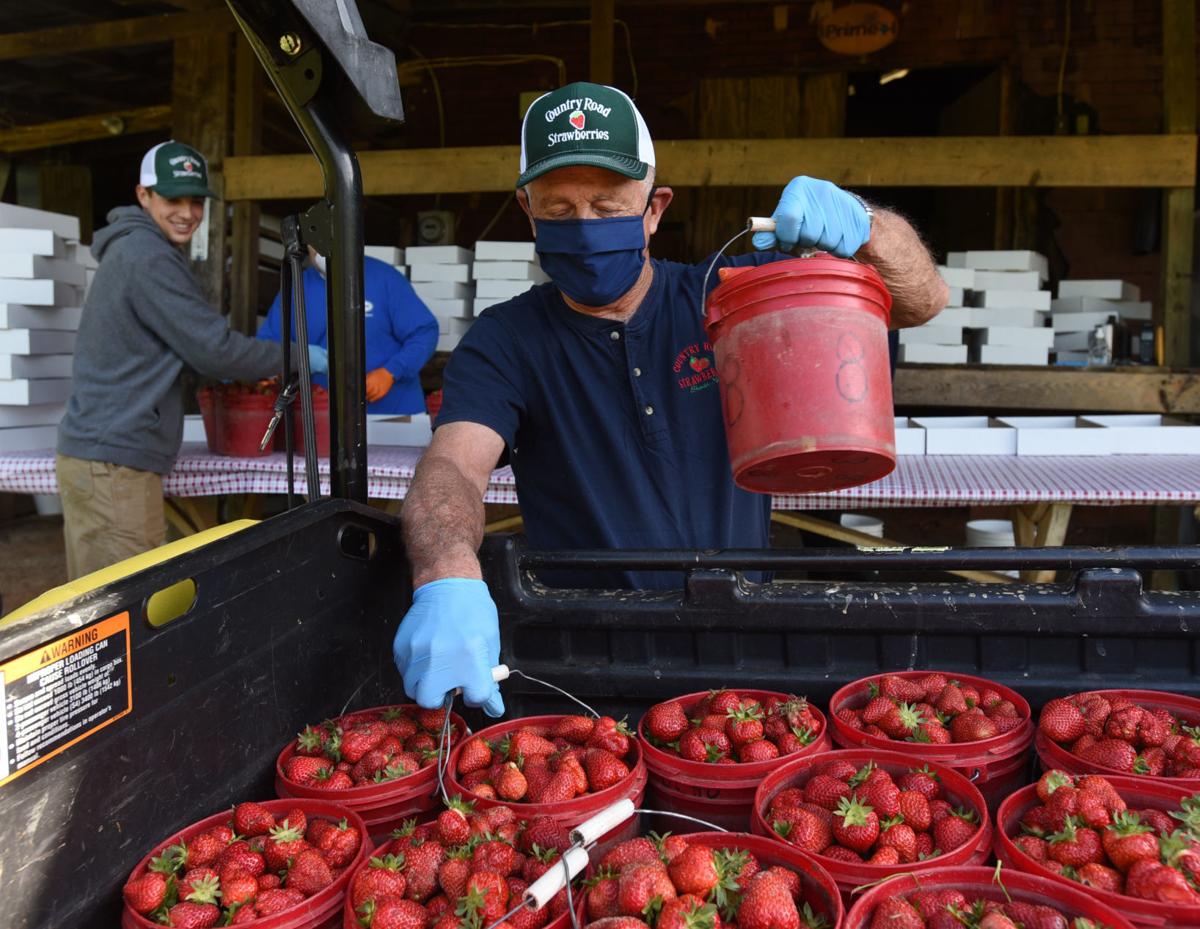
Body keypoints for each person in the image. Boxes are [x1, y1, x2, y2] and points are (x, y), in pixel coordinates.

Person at [392, 83, 949, 717]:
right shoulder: (505, 340)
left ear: (654, 209)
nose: (584, 228)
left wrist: (864, 228)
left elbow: (920, 300)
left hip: (740, 637)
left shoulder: (729, 299)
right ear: (527, 209)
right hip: (580, 658)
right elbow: (454, 466)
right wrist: (446, 576)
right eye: (559, 209)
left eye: (607, 207)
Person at [56, 140, 328, 580]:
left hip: (109, 456)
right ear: (143, 196)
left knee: (109, 602)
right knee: (118, 608)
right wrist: (301, 356)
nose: (186, 212)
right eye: (172, 199)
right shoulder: (146, 257)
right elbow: (214, 351)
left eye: (196, 200)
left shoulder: (141, 250)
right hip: (113, 462)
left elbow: (194, 351)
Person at [257, 246, 438, 414]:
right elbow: (269, 345)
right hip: (321, 419)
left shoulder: (385, 278)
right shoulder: (296, 288)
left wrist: (391, 372)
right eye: (316, 243)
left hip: (392, 413)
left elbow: (424, 333)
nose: (324, 249)